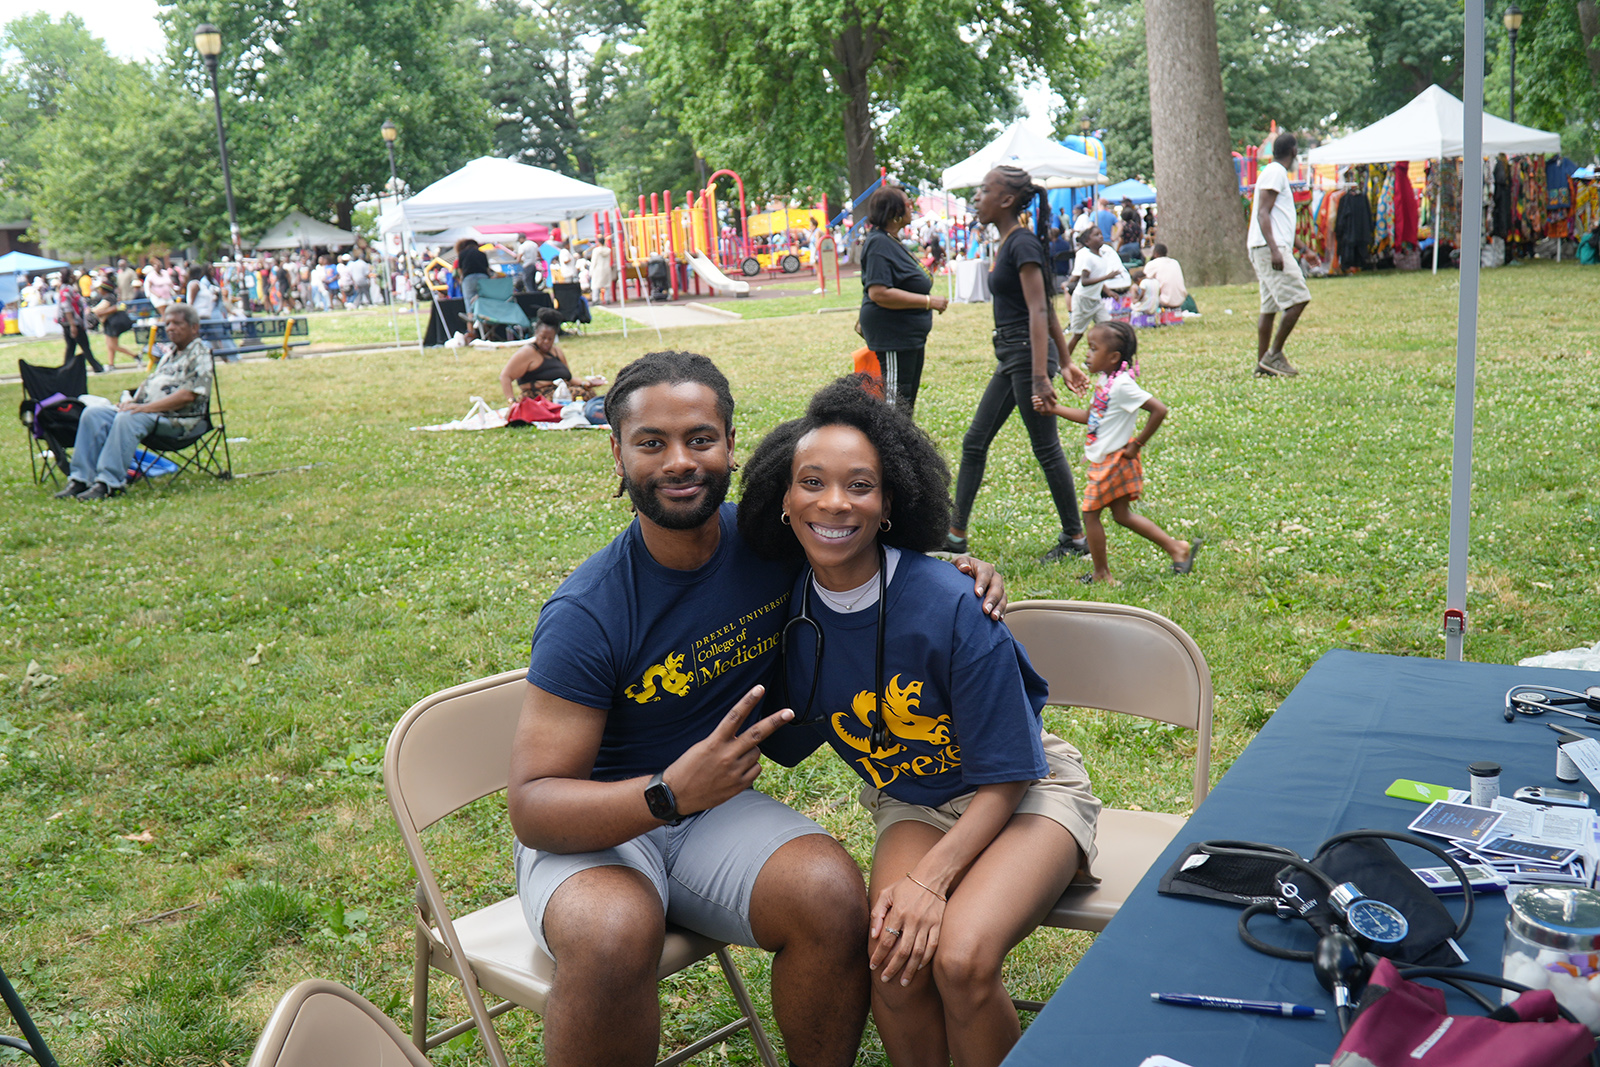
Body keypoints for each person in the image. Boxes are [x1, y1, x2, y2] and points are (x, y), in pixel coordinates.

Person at [506, 350, 1010, 1067]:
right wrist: (668, 793)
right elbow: (533, 806)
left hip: (710, 813)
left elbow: (869, 551)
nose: (679, 460)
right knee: (616, 929)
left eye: (700, 438)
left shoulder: (775, 543)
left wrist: (963, 571)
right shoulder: (588, 611)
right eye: (652, 442)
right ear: (616, 454)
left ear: (731, 447)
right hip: (601, 827)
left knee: (831, 894)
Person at [738, 378, 1100, 1067]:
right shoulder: (785, 613)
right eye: (811, 481)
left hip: (1026, 790)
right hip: (913, 798)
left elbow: (1011, 770)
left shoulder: (953, 602)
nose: (835, 502)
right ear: (783, 501)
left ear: (891, 503)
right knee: (894, 961)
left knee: (960, 958)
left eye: (860, 485)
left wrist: (931, 880)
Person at [948, 166, 1093, 564]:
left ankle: (1075, 537)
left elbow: (1038, 309)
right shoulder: (1011, 242)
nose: (977, 197)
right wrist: (1063, 361)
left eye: (984, 189)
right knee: (975, 441)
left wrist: (1042, 374)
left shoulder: (1022, 243)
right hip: (1015, 356)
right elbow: (1044, 307)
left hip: (1026, 356)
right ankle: (955, 536)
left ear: (1007, 200)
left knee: (1046, 448)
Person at [1032, 321, 1197, 585]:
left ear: (1113, 357)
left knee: (1089, 514)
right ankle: (1177, 548)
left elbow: (1159, 409)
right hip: (1109, 459)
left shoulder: (1122, 385)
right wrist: (1054, 409)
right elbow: (1091, 416)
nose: (1086, 354)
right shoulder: (1105, 381)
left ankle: (1101, 574)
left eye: (1093, 348)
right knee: (1122, 515)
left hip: (1115, 461)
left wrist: (1137, 444)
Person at [53, 303, 212, 502]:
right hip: (147, 412)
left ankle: (109, 483)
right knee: (94, 414)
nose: (170, 327)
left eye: (177, 323)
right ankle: (81, 479)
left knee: (129, 417)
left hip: (177, 420)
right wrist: (131, 401)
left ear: (194, 327)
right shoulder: (170, 354)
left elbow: (188, 395)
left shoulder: (200, 354)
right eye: (168, 323)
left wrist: (143, 408)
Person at [857, 185, 948, 414]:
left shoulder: (891, 240)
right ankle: (889, 449)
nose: (912, 207)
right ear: (894, 211)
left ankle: (901, 447)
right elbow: (878, 292)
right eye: (907, 204)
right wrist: (929, 301)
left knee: (904, 403)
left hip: (909, 337)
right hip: (894, 337)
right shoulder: (878, 243)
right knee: (895, 409)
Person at [1249, 131, 1313, 377]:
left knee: (1269, 308)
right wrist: (1275, 250)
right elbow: (1263, 213)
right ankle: (1274, 355)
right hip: (1269, 249)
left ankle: (1262, 365)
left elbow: (1279, 223)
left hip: (1267, 246)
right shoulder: (1275, 172)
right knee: (1299, 299)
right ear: (1294, 151)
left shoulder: (1274, 173)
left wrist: (1304, 249)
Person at [1063, 225, 1128, 362]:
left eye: (1100, 234)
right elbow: (1085, 281)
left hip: (1096, 300)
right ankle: (1062, 362)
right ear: (1087, 242)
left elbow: (1098, 280)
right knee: (1077, 334)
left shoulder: (1102, 257)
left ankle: (1098, 361)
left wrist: (1109, 292)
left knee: (1107, 328)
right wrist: (1108, 277)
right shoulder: (1088, 258)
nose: (1100, 237)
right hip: (1083, 300)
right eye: (1096, 235)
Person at [57, 268, 104, 373]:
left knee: (71, 347)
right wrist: (73, 325)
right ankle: (97, 367)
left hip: (71, 323)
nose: (75, 277)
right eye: (73, 275)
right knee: (84, 346)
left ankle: (65, 370)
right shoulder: (66, 290)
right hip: (73, 323)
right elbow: (67, 308)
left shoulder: (68, 288)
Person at [90, 282, 137, 369]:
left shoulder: (108, 298)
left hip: (112, 324)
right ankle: (111, 364)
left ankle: (135, 355)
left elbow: (100, 309)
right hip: (109, 323)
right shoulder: (111, 297)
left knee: (113, 345)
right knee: (109, 345)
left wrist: (93, 311)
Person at [454, 237, 490, 341]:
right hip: (483, 278)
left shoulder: (462, 254)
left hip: (468, 278)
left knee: (469, 305)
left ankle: (471, 333)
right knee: (484, 303)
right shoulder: (482, 254)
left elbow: (460, 270)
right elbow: (487, 269)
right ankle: (486, 331)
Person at [1141, 243, 1189, 310]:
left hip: (1164, 301)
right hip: (1180, 299)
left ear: (1156, 254)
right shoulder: (1175, 262)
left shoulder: (1152, 264)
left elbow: (1143, 281)